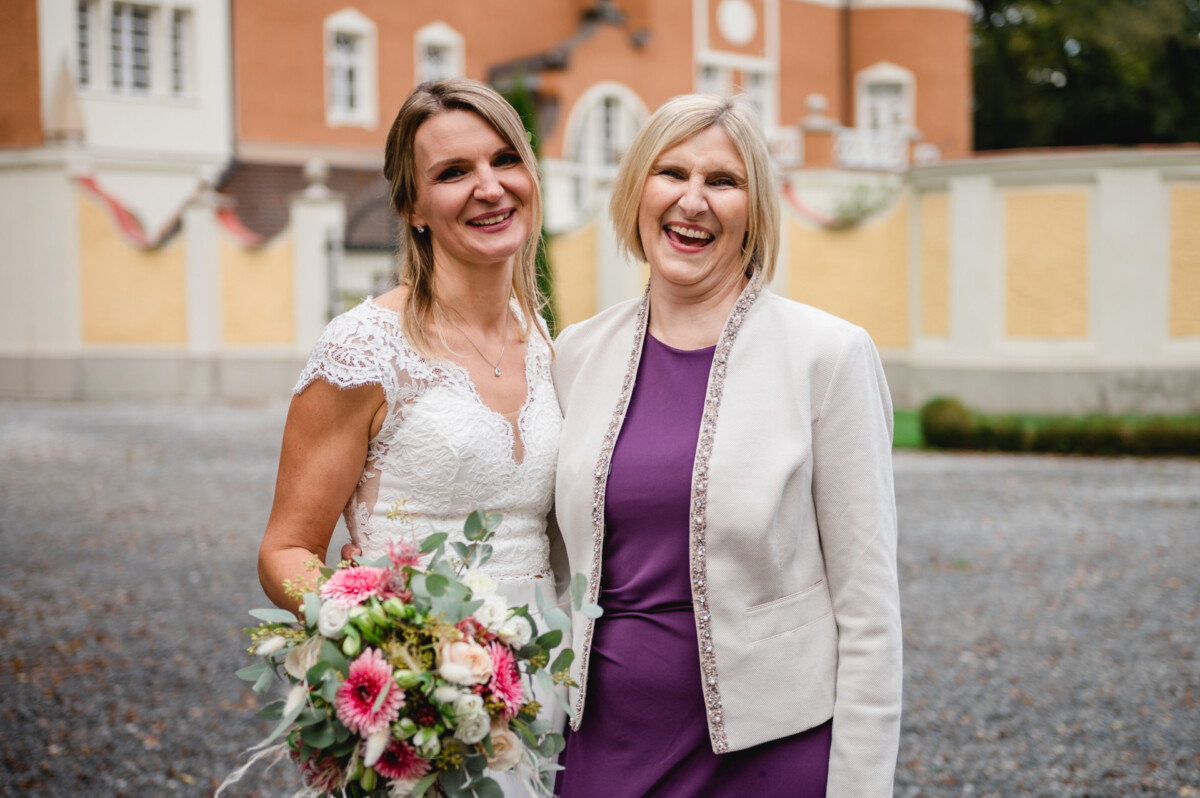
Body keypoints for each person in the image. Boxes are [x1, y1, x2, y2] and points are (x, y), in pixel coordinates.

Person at [551, 93, 902, 797]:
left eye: (723, 181)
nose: (693, 201)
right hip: (599, 748)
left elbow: (869, 612)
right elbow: (555, 573)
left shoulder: (827, 357)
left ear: (755, 207)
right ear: (636, 191)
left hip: (767, 757)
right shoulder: (574, 354)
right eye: (671, 173)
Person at [256, 78, 563, 790]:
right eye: (454, 173)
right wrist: (390, 650)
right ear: (411, 207)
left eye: (504, 160)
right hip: (422, 707)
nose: (489, 187)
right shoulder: (365, 348)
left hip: (546, 687)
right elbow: (286, 549)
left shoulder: (548, 344)